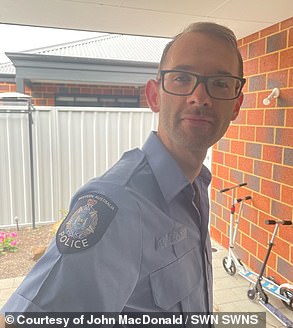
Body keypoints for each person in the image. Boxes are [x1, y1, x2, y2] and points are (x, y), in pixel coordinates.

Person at [0, 21, 245, 323]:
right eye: (182, 78)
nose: (200, 96)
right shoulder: (117, 204)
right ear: (155, 96)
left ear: (236, 105)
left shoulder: (195, 187)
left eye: (220, 83)